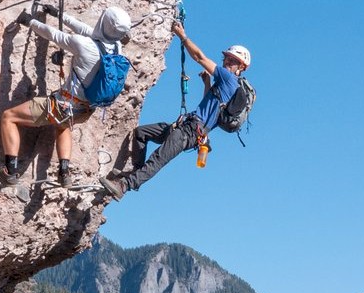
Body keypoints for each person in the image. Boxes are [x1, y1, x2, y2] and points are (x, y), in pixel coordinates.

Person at [99, 21, 251, 201]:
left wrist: (182, 36)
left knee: (159, 157)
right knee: (141, 133)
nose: (227, 62)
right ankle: (135, 171)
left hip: (190, 131)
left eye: (233, 60)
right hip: (189, 126)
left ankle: (124, 186)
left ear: (241, 67)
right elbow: (210, 108)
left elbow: (200, 57)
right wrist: (207, 84)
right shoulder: (224, 85)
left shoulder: (229, 79)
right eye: (226, 58)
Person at [0, 5, 132, 187]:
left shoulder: (85, 45)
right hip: (85, 110)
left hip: (62, 106)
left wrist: (29, 21)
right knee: (63, 124)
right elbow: (85, 29)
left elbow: (54, 35)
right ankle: (64, 174)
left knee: (8, 117)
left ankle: (9, 172)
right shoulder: (116, 47)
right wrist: (59, 15)